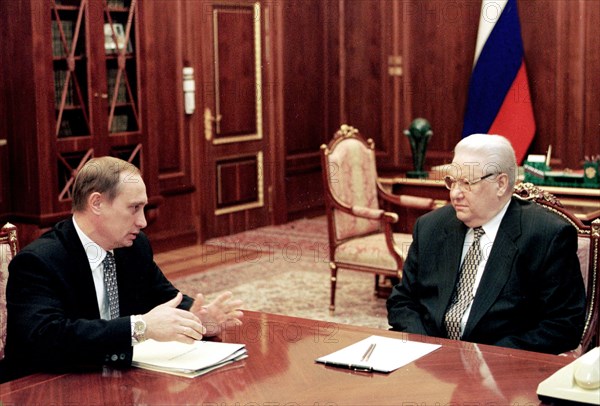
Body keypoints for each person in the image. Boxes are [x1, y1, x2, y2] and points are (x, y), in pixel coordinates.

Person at [3, 156, 244, 381]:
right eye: (134, 208)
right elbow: (48, 337)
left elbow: (164, 297)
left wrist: (197, 319)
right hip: (48, 386)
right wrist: (140, 327)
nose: (143, 221)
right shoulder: (38, 262)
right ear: (96, 203)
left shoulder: (133, 245)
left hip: (119, 377)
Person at [387, 134, 586, 354]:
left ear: (500, 184)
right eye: (451, 181)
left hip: (501, 369)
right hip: (429, 363)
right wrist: (426, 349)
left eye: (466, 183)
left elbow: (563, 326)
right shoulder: (430, 227)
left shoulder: (546, 236)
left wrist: (486, 358)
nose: (455, 194)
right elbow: (403, 301)